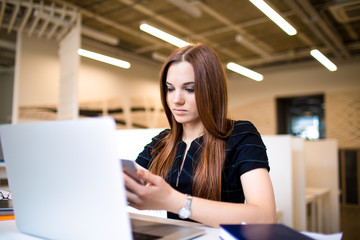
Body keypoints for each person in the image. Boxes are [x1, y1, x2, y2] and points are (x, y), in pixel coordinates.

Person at [123, 43, 276, 228]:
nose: (176, 99)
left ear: (211, 90)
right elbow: (126, 185)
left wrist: (174, 200)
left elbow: (265, 218)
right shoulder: (161, 142)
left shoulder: (241, 135)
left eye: (190, 89)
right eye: (170, 88)